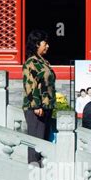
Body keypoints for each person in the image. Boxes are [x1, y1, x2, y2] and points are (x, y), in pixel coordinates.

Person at [22, 29, 56, 166]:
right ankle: (33, 165)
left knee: (44, 137)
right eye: (45, 43)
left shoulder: (43, 62)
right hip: (36, 107)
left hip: (46, 106)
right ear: (37, 44)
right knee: (36, 137)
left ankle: (41, 164)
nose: (47, 46)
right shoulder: (31, 63)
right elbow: (30, 85)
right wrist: (36, 105)